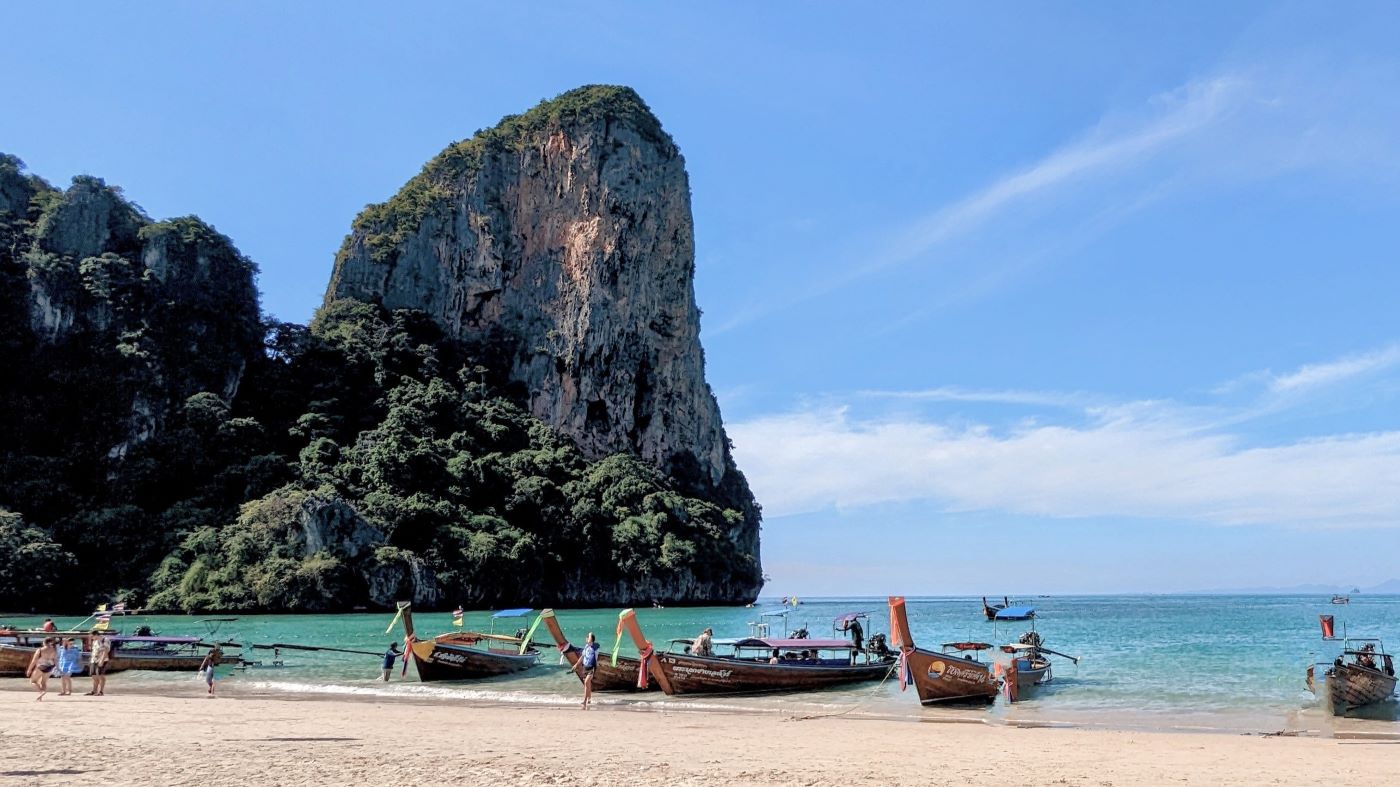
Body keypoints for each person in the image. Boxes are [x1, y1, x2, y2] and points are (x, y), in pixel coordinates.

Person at [573, 632, 601, 709]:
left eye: (588, 637)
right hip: (585, 667)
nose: (586, 639)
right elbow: (582, 656)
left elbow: (593, 643)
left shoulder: (595, 647)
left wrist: (590, 634)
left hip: (592, 667)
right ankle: (589, 699)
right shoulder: (586, 647)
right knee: (587, 684)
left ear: (591, 639)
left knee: (586, 682)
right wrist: (576, 664)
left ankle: (584, 701)